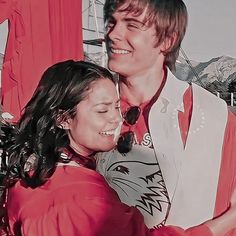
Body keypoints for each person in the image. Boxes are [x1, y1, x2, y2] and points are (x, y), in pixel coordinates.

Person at [0, 60, 189, 236]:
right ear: (63, 119)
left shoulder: (38, 168)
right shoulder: (76, 198)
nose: (116, 118)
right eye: (102, 110)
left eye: (117, 107)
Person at [96, 0, 236, 235]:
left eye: (131, 25)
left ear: (167, 40)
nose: (113, 34)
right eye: (111, 22)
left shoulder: (212, 115)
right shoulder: (86, 110)